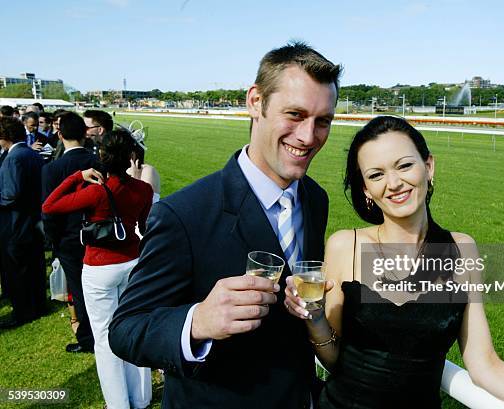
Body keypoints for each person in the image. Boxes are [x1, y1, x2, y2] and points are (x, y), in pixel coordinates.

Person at [284, 116, 504, 409]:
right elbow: (333, 358)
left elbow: (484, 364)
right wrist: (316, 319)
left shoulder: (462, 249)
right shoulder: (344, 245)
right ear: (366, 190)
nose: (394, 183)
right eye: (376, 175)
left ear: (428, 167)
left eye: (404, 165)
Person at [108, 41, 341, 409]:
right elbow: (126, 330)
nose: (309, 136)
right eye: (294, 115)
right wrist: (197, 321)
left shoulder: (315, 199)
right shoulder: (183, 214)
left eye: (323, 121)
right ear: (255, 102)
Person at [42, 129, 153, 409]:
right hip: (132, 262)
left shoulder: (95, 192)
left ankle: (118, 403)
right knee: (134, 326)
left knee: (105, 337)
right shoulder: (143, 189)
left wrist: (77, 176)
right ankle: (141, 397)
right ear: (131, 156)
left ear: (101, 155)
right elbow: (143, 226)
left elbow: (50, 205)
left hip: (99, 266)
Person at [42, 111, 98, 353]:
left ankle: (88, 338)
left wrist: (54, 242)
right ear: (85, 133)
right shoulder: (97, 162)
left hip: (69, 238)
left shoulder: (53, 169)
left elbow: (49, 212)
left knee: (80, 290)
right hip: (97, 234)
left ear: (59, 134)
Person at [0, 116, 46, 328]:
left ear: (5, 136)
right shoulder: (30, 153)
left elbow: (11, 194)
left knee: (17, 270)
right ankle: (38, 305)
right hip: (33, 220)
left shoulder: (14, 158)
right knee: (34, 266)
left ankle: (23, 312)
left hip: (16, 222)